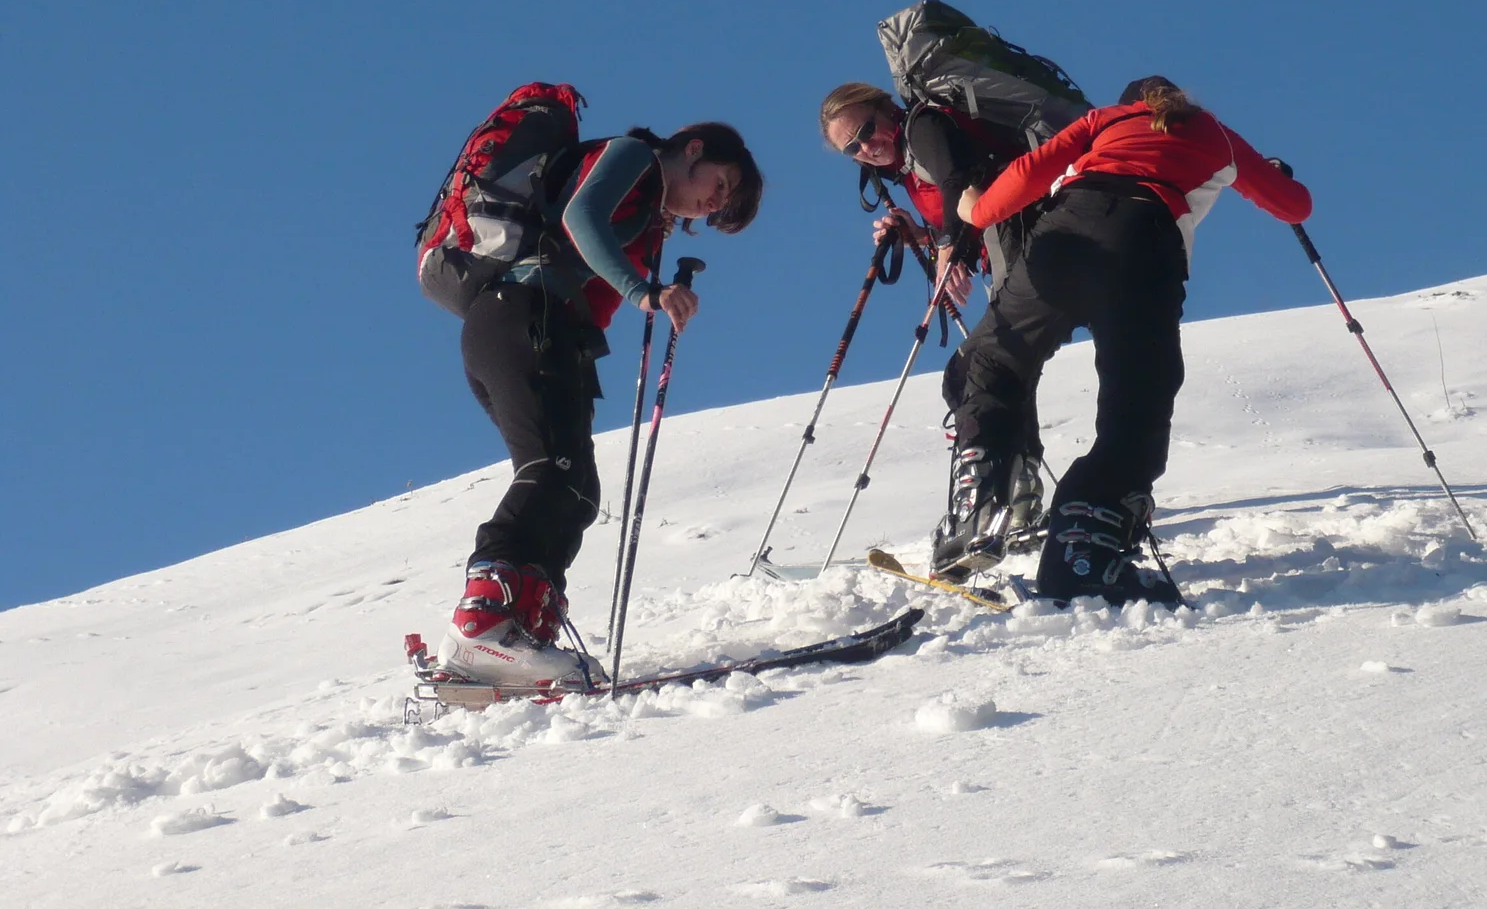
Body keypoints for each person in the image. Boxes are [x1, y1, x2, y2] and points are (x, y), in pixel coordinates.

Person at [939, 77, 1312, 602]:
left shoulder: (1103, 122)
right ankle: (1084, 548)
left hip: (1065, 236)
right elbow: (1294, 207)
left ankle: (979, 494)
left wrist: (975, 212)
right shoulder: (1215, 134)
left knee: (996, 357)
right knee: (1137, 399)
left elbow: (1027, 173)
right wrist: (1274, 174)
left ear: (1127, 103)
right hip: (1145, 246)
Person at [436, 122, 762, 686]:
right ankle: (480, 626)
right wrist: (645, 292)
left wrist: (640, 268)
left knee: (576, 488)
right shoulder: (634, 155)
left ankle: (520, 630)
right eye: (723, 183)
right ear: (693, 149)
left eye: (723, 205)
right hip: (523, 316)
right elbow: (579, 218)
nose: (715, 204)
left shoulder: (645, 214)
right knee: (551, 471)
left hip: (535, 330)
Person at [818, 82, 1050, 543]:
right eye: (853, 148)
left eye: (866, 130)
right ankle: (1019, 496)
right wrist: (924, 236)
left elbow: (959, 181)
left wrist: (948, 248)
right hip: (1015, 252)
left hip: (1028, 243)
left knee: (981, 370)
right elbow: (958, 201)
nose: (867, 147)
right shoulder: (911, 160)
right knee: (989, 370)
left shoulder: (923, 124)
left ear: (886, 109)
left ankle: (1002, 500)